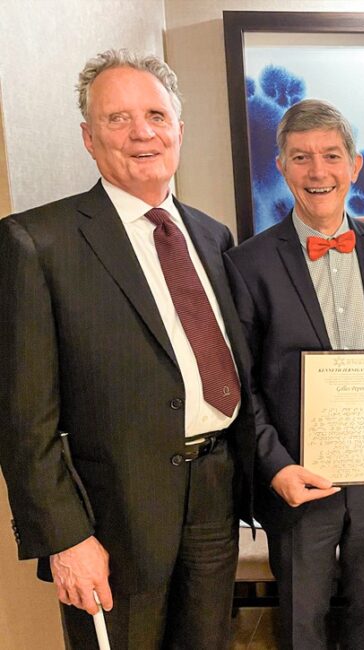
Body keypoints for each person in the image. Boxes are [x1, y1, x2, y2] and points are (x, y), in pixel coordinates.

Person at [0, 49, 263, 649]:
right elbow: (22, 418)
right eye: (118, 119)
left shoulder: (209, 233)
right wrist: (65, 538)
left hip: (215, 497)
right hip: (112, 520)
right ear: (89, 138)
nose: (141, 132)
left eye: (155, 115)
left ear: (178, 128)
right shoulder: (38, 242)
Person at [225, 99, 364, 649]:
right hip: (299, 478)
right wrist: (275, 466)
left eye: (332, 155)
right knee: (302, 623)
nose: (318, 171)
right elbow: (239, 381)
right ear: (281, 167)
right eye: (301, 157)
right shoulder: (247, 263)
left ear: (354, 166)